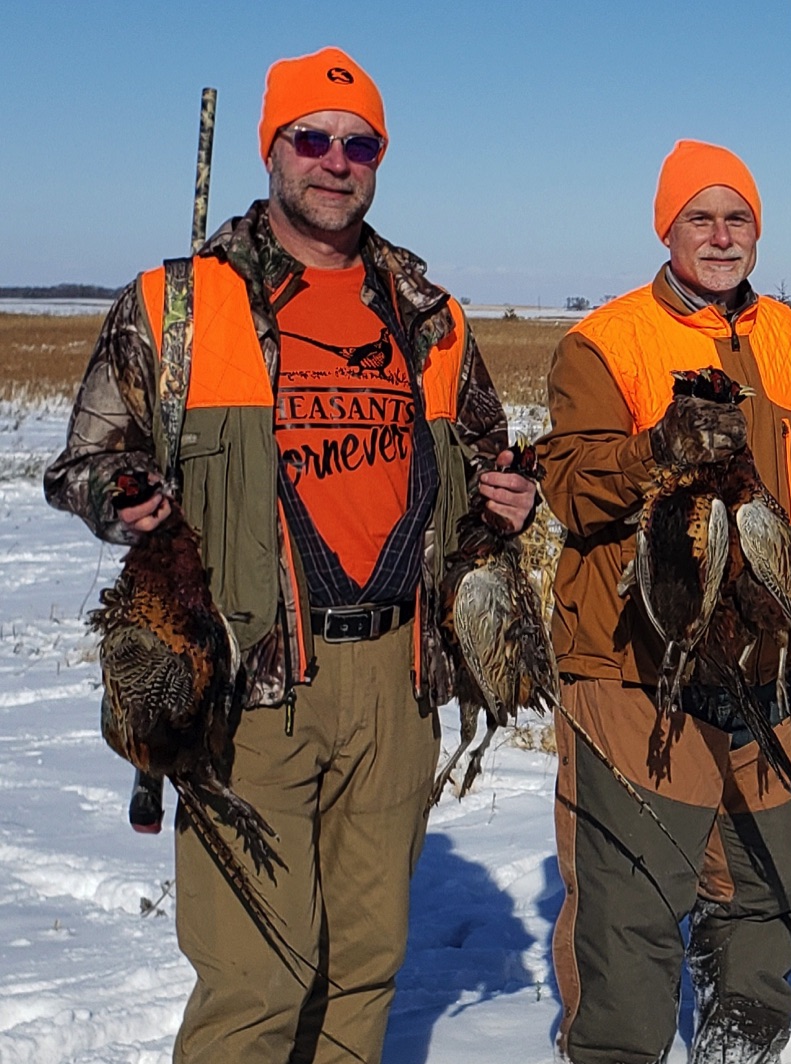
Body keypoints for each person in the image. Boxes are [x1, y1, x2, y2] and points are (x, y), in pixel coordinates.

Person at [44, 47, 532, 1062]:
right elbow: (82, 461)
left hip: (398, 680)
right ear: (273, 149)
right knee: (257, 978)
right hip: (247, 683)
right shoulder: (174, 305)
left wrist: (515, 492)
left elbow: (490, 453)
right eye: (311, 137)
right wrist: (123, 492)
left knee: (365, 959)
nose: (335, 160)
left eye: (360, 144)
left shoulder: (427, 313)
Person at [538, 139, 791, 1063]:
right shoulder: (607, 341)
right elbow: (572, 490)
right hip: (638, 662)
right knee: (632, 906)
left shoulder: (789, 338)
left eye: (737, 217)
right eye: (698, 217)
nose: (720, 236)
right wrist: (656, 449)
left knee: (771, 884)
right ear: (665, 228)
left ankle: (741, 1044)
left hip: (764, 662)